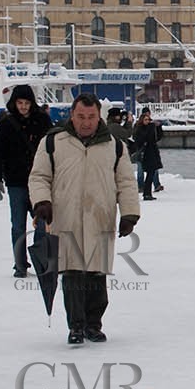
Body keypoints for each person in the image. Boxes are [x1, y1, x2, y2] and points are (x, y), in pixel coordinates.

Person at [28, 93, 140, 344]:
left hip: (101, 216)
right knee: (73, 274)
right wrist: (42, 202)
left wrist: (129, 214)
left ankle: (93, 324)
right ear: (72, 115)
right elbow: (39, 177)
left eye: (91, 117)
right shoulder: (53, 142)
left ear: (98, 116)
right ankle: (76, 326)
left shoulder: (114, 145)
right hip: (66, 217)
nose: (86, 122)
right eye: (81, 116)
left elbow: (125, 182)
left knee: (97, 275)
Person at [0, 84, 53, 278]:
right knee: (18, 226)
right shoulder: (6, 124)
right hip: (16, 181)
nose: (23, 107)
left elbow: (54, 148)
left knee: (43, 223)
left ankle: (40, 260)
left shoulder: (42, 121)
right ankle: (20, 263)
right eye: (20, 103)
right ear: (14, 103)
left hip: (39, 182)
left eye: (26, 103)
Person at [133, 109, 163, 201]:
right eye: (146, 120)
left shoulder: (151, 128)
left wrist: (158, 127)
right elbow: (144, 139)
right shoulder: (139, 129)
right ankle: (145, 192)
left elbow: (157, 138)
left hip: (152, 153)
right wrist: (151, 128)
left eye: (148, 120)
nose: (148, 122)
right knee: (145, 173)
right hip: (145, 154)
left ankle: (147, 192)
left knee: (151, 173)